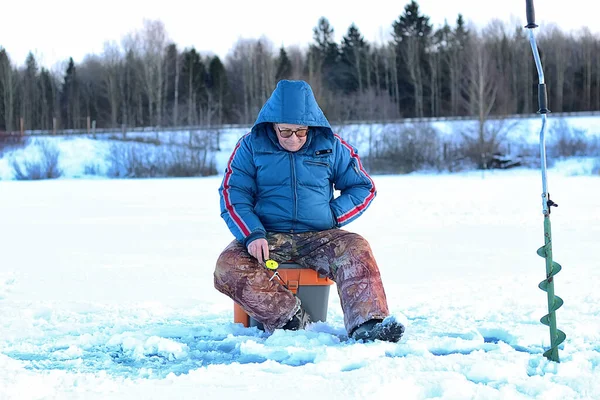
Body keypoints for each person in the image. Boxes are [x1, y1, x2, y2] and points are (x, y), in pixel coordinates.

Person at [214, 79, 404, 342]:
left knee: (356, 247)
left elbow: (364, 187)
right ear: (273, 125)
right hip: (269, 235)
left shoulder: (331, 145)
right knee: (228, 265)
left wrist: (334, 215)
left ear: (311, 126)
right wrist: (252, 234)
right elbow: (233, 194)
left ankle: (368, 325)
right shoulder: (250, 146)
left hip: (319, 236)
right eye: (286, 132)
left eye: (301, 132)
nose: (294, 139)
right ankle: (290, 319)